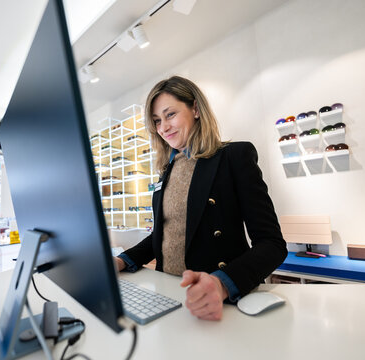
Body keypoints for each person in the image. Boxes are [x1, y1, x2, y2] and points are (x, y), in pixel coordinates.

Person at [115, 76, 287, 321]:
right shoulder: (167, 170)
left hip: (221, 301)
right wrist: (121, 261)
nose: (163, 127)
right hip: (170, 297)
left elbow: (272, 245)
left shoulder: (234, 157)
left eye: (170, 114)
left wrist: (222, 284)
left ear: (195, 109)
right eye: (156, 121)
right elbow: (162, 235)